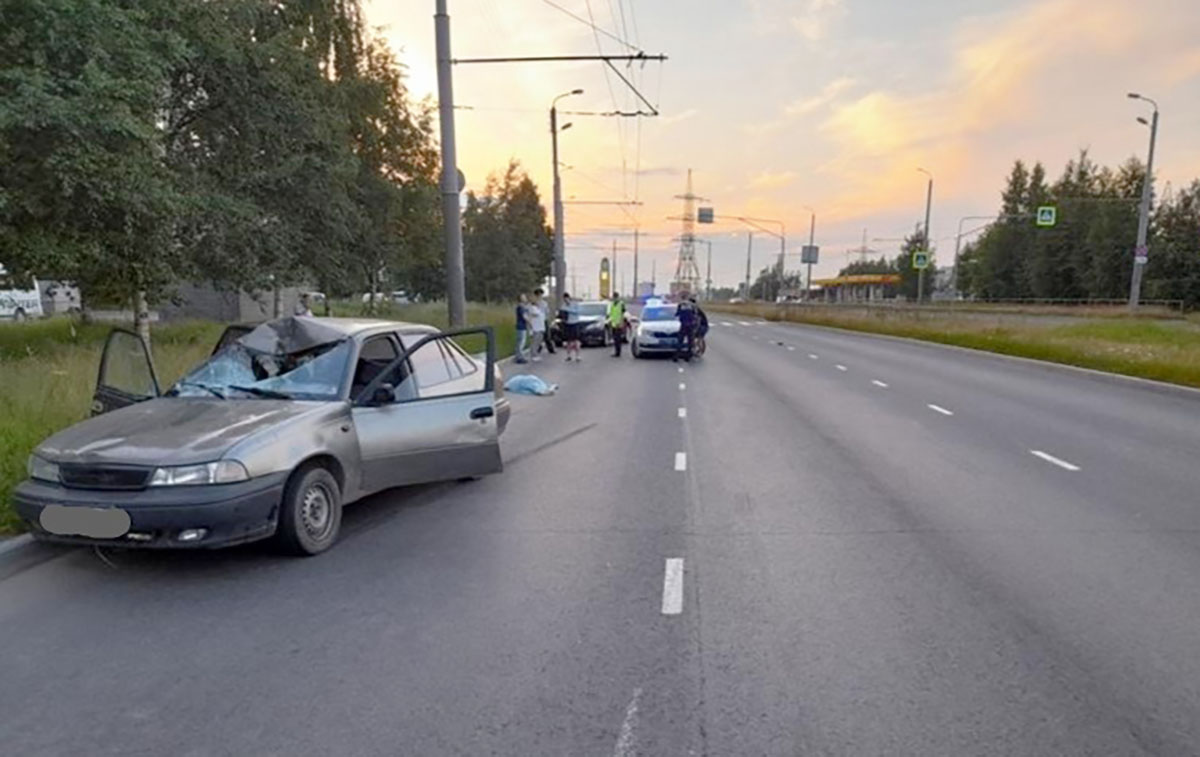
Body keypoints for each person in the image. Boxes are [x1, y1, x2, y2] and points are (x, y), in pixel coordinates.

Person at [559, 292, 582, 362]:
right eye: (564, 299)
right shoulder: (563, 305)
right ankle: (568, 356)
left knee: (576, 341)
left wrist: (568, 310)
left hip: (575, 323)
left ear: (569, 298)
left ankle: (578, 356)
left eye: (566, 299)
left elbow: (578, 311)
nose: (565, 301)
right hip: (567, 324)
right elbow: (561, 314)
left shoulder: (575, 304)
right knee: (568, 341)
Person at [674, 295, 697, 362]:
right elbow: (695, 314)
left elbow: (677, 314)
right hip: (690, 325)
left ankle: (677, 356)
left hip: (683, 324)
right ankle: (688, 356)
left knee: (680, 341)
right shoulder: (692, 305)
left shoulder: (681, 304)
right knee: (690, 341)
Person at [534, 288, 554, 355]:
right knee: (538, 336)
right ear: (536, 295)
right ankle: (538, 348)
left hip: (544, 320)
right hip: (537, 321)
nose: (540, 296)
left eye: (541, 294)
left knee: (547, 335)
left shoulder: (545, 303)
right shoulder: (534, 303)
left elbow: (547, 312)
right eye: (538, 294)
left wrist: (548, 319)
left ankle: (551, 349)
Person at [527, 290, 546, 361]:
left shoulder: (539, 308)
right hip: (536, 327)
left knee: (539, 341)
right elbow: (533, 315)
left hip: (541, 327)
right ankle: (533, 355)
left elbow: (544, 313)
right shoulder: (531, 307)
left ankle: (536, 354)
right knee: (535, 342)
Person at [607, 291, 626, 357]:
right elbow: (611, 314)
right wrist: (609, 320)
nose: (615, 298)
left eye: (616, 297)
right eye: (614, 297)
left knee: (618, 339)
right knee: (615, 339)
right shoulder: (612, 304)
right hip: (613, 324)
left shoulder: (621, 304)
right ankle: (616, 352)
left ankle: (618, 352)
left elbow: (623, 313)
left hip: (619, 324)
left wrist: (621, 322)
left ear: (618, 297)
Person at [514, 293, 530, 364]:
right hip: (521, 326)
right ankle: (519, 357)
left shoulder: (522, 307)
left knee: (519, 342)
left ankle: (518, 356)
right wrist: (530, 322)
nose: (525, 298)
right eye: (524, 297)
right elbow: (524, 317)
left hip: (520, 326)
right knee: (521, 342)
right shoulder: (521, 307)